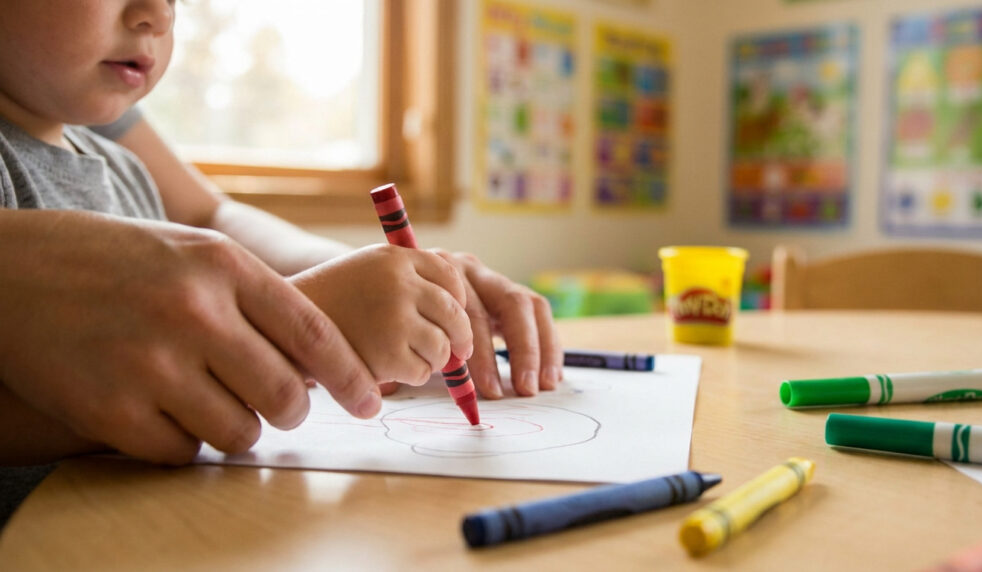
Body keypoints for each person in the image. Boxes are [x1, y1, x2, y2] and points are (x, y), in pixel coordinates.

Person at [0, 0, 562, 476]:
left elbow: (208, 214)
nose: (157, 15)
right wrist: (303, 327)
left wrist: (382, 287)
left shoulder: (122, 165)